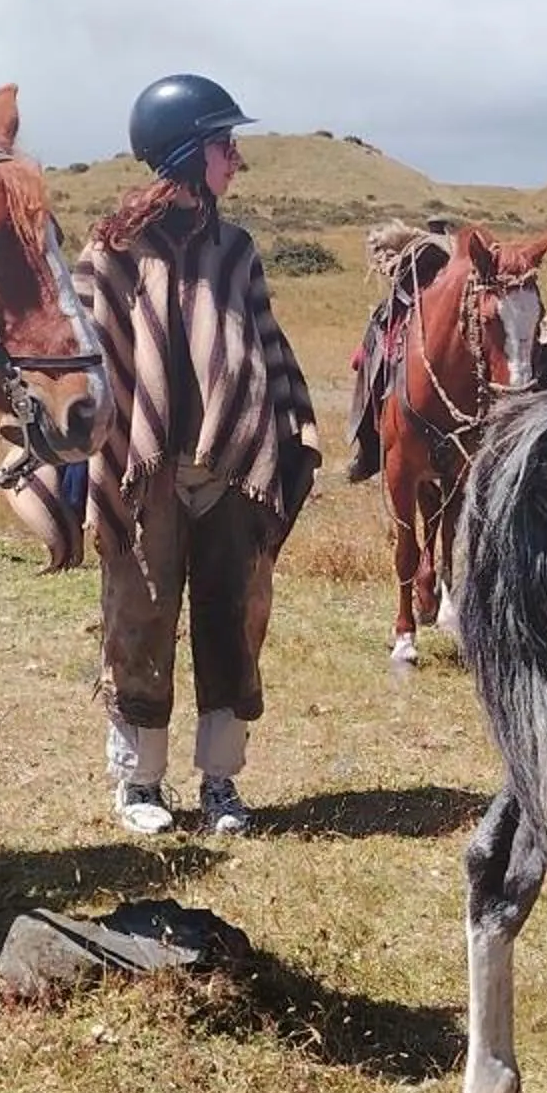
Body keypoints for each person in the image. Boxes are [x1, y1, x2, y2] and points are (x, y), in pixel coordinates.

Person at [76, 74, 321, 836]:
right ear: (187, 153)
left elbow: (263, 353)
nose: (236, 160)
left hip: (229, 474)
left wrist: (283, 436)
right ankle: (139, 784)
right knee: (139, 618)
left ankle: (220, 781)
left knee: (233, 616)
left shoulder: (236, 250)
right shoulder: (113, 250)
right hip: (143, 472)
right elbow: (95, 359)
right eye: (225, 144)